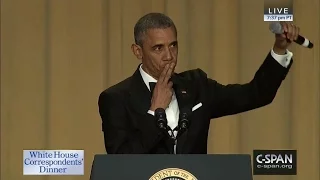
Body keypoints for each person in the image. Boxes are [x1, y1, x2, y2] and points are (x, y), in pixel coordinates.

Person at [98, 13, 299, 154]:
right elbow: (121, 161)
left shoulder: (197, 87)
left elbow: (256, 94)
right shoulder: (116, 98)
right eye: (158, 48)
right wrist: (155, 111)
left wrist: (279, 50)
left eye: (173, 45)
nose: (169, 56)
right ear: (138, 52)